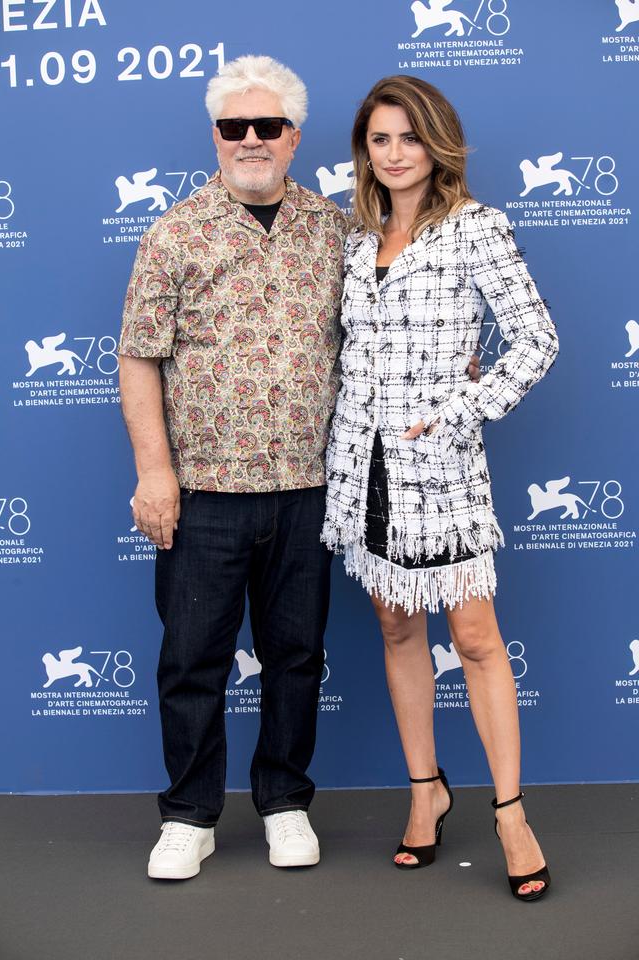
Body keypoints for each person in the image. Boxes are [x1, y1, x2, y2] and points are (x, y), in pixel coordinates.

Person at [322, 75, 559, 901]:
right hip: (365, 469)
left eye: (408, 138)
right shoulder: (353, 244)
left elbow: (536, 341)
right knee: (396, 627)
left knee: (476, 637)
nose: (393, 155)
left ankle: (510, 812)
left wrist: (460, 409)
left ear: (437, 143)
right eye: (379, 140)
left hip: (443, 464)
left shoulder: (476, 229)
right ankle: (426, 791)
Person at [118, 55, 349, 878]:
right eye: (233, 127)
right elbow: (139, 357)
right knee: (192, 661)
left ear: (294, 136)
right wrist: (155, 472)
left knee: (296, 656)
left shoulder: (334, 228)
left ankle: (285, 802)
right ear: (214, 135)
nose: (249, 140)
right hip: (204, 495)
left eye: (267, 126)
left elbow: (377, 333)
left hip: (306, 490)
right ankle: (190, 815)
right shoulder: (174, 231)